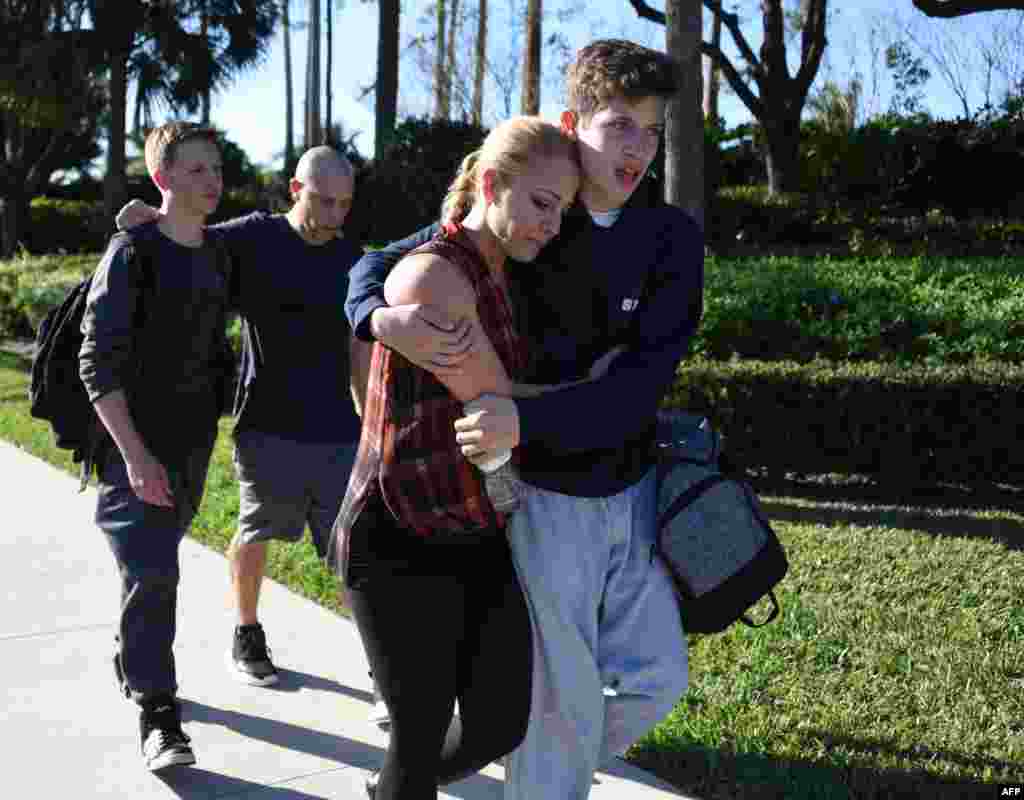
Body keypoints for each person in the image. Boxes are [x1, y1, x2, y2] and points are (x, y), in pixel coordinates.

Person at [345, 39, 703, 800]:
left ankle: (473, 767)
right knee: (556, 706)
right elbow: (385, 261)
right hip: (539, 502)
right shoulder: (539, 209)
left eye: (653, 129)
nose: (639, 147)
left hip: (633, 493)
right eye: (620, 124)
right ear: (573, 122)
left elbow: (638, 386)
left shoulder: (671, 239)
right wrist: (378, 318)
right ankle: (522, 770)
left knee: (658, 679)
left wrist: (521, 416)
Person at [331, 116, 581, 800]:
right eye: (540, 203)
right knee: (418, 736)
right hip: (397, 537)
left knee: (500, 723)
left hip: (472, 529)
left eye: (561, 208)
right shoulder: (436, 278)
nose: (551, 224)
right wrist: (602, 405)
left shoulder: (503, 269)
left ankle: (388, 789)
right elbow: (496, 399)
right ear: (492, 184)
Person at [115, 147, 365, 693]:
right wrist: (152, 217)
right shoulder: (255, 236)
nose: (335, 213)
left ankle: (381, 662)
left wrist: (369, 418)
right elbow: (189, 234)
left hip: (337, 428)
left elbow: (357, 347)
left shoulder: (352, 255)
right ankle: (246, 631)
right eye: (325, 201)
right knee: (256, 529)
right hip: (267, 420)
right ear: (297, 191)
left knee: (354, 546)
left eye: (345, 203)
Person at [80, 122, 234, 771]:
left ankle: (132, 654)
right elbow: (97, 364)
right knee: (154, 571)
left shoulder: (219, 252)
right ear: (165, 177)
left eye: (217, 169)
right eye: (197, 170)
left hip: (193, 444)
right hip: (132, 447)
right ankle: (158, 711)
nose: (214, 181)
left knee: (154, 564)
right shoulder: (132, 250)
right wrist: (136, 458)